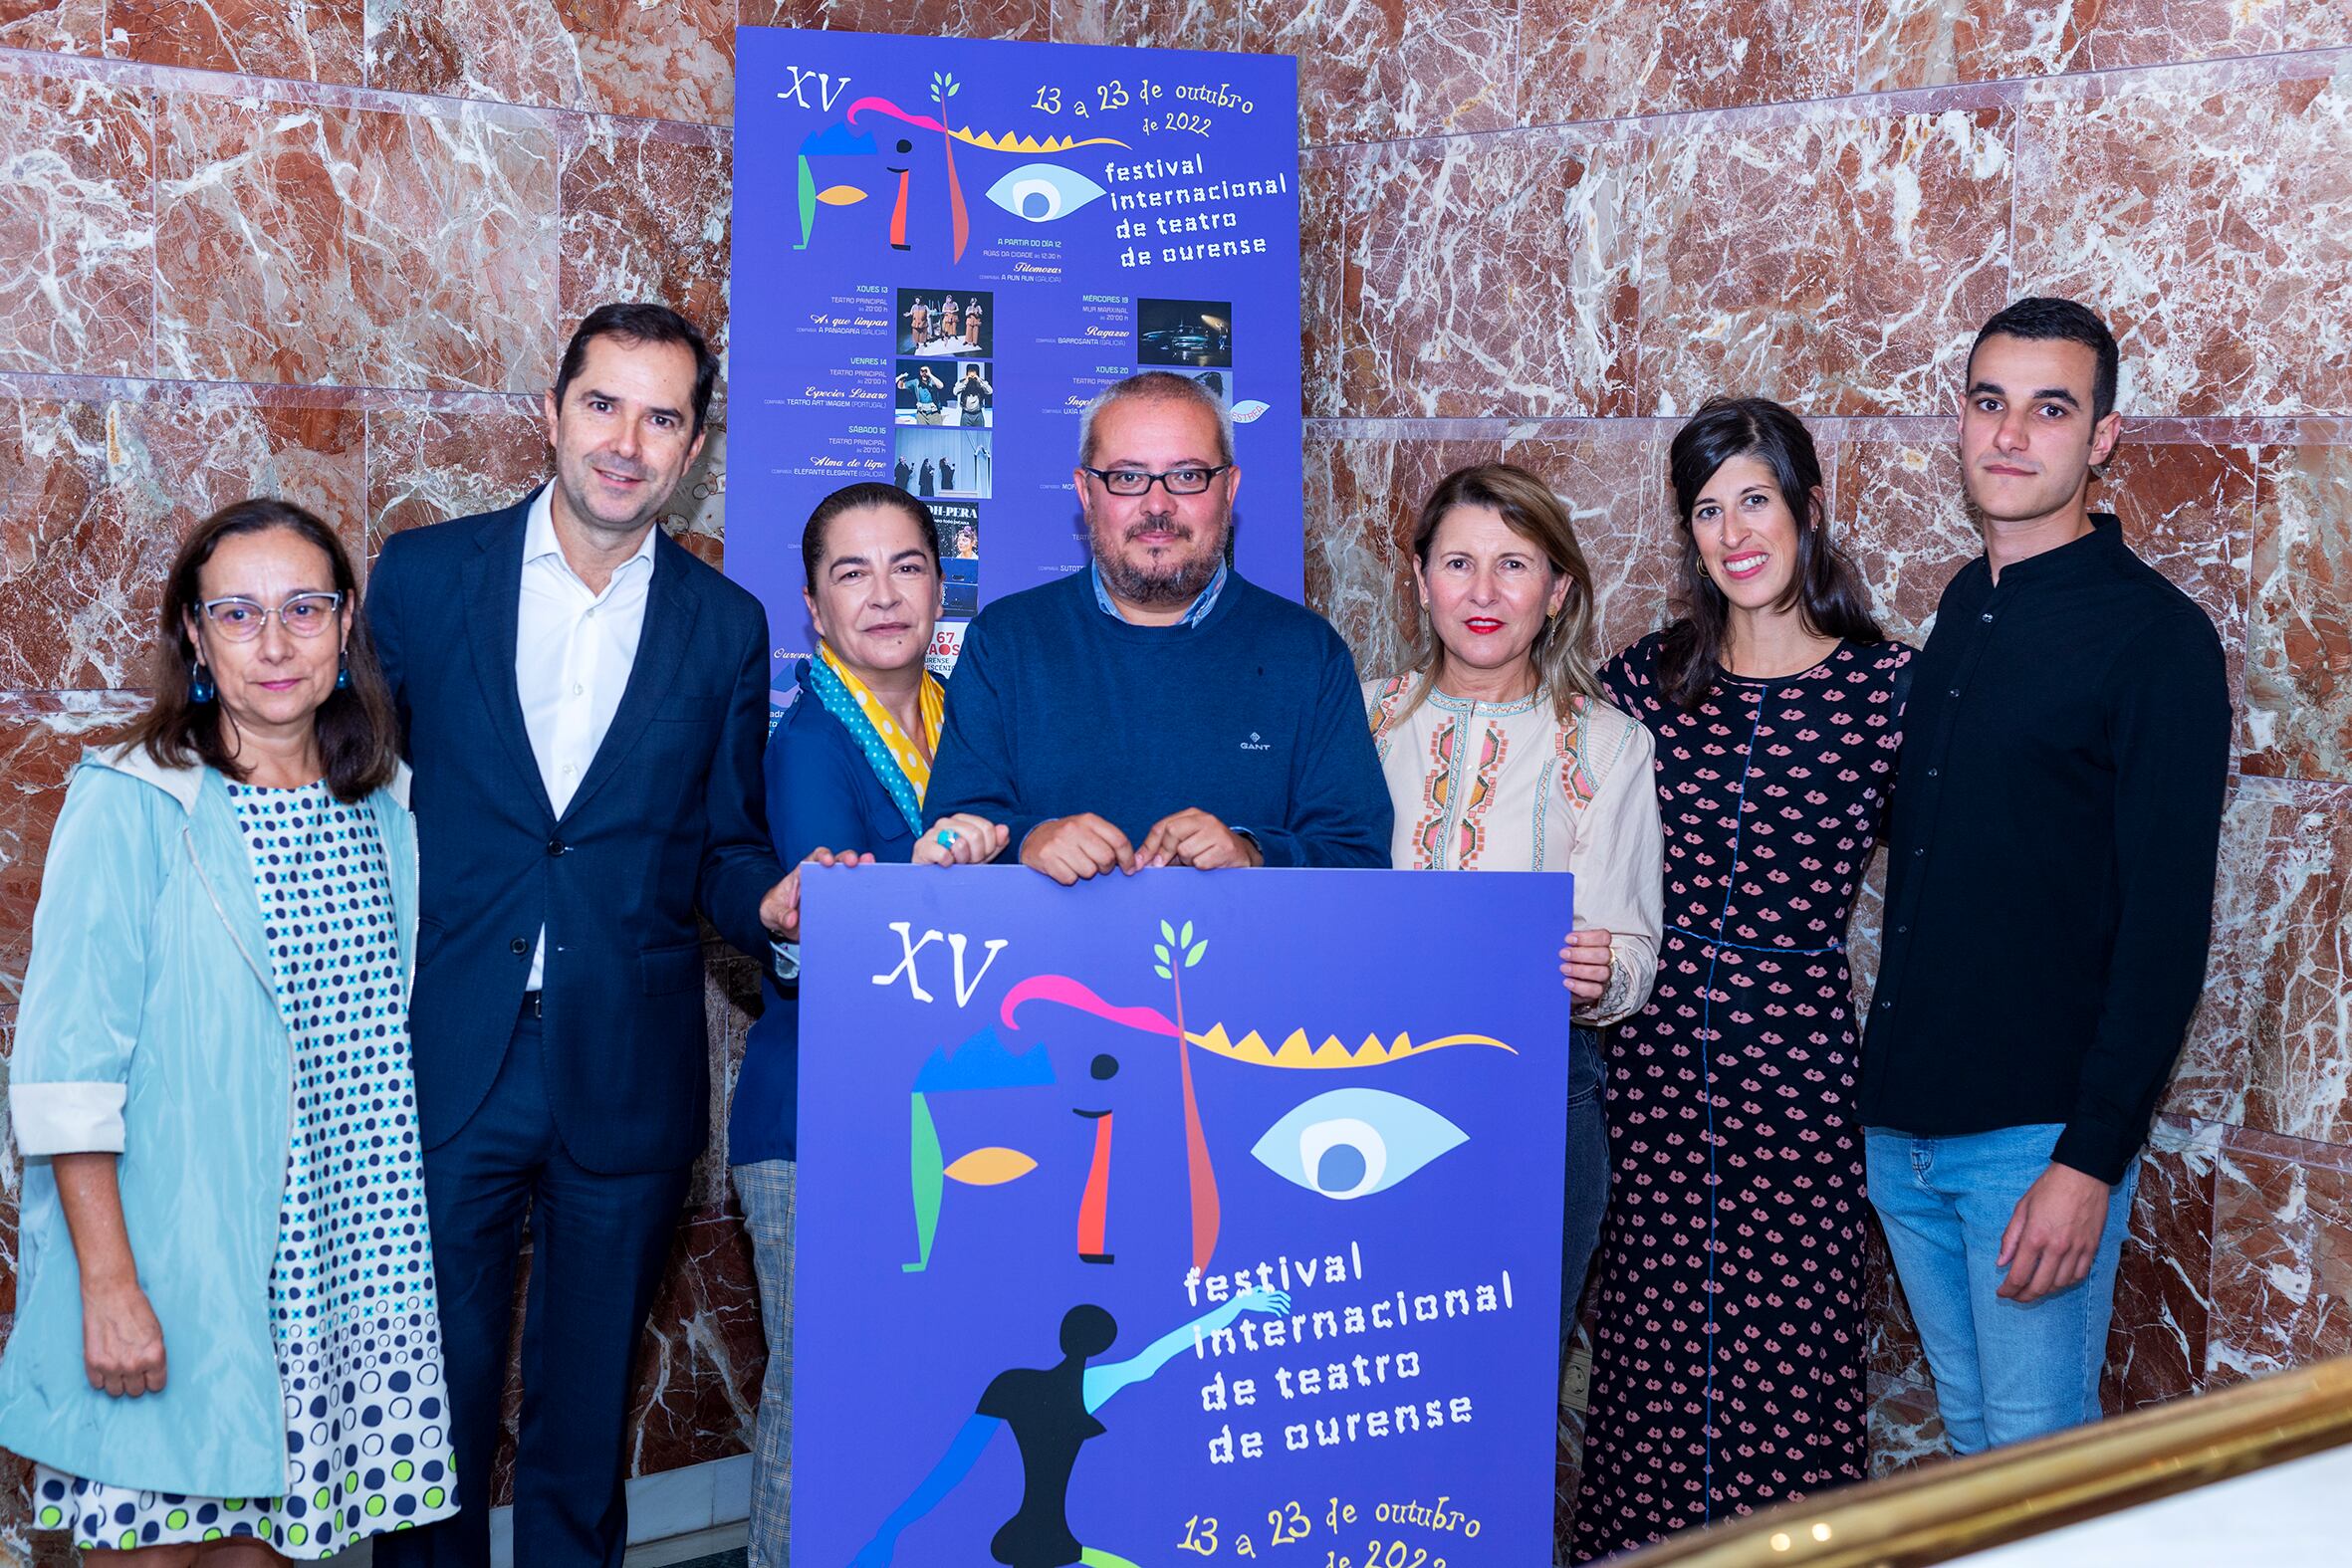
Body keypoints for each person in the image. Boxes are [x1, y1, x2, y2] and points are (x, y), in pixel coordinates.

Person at [366, 303, 812, 1568]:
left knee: (581, 1425)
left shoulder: (723, 626)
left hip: (625, 1068)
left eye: (661, 417)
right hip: (444, 1053)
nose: (627, 441)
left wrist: (769, 901)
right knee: (429, 1419)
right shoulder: (426, 576)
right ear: (553, 413)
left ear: (694, 448)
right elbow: (353, 789)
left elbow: (721, 845)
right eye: (604, 405)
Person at [0, 499, 453, 1561]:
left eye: (303, 606)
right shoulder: (134, 798)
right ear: (195, 638)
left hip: (340, 1261)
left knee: (271, 1547)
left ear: (346, 625)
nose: (276, 641)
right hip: (177, 1257)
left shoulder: (386, 803)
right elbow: (68, 1072)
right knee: (157, 1544)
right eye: (239, 614)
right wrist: (109, 1286)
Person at [1860, 298, 2230, 1456]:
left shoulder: (2155, 639)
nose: (2010, 435)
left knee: (2035, 1468)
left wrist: (2087, 1162)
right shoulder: (1964, 606)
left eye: (2049, 409)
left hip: (2034, 1145)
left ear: (2101, 438)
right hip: (1901, 1131)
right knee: (1974, 1462)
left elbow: (2165, 929)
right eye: (1988, 402)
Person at [1574, 398, 1913, 1560]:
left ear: (1807, 510)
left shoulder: (1888, 693)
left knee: (1790, 1352)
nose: (1734, 532)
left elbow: (1958, 885)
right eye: (1707, 510)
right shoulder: (1641, 684)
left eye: (1754, 500)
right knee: (1652, 1348)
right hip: (1654, 1064)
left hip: (1796, 1065)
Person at [729, 483, 1007, 1568]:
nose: (883, 594)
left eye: (905, 566)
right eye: (852, 572)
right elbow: (847, 929)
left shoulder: (960, 716)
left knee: (926, 1414)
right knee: (819, 1418)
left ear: (941, 588)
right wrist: (943, 863)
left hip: (935, 1107)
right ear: (812, 606)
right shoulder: (809, 741)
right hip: (818, 1123)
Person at [1361, 463, 1663, 1347]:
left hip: (1540, 1089)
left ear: (1559, 589)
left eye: (1515, 564)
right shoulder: (1358, 717)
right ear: (1420, 581)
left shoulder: (1609, 744)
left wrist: (1600, 969)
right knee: (1367, 1348)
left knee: (1507, 1366)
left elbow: (1635, 951)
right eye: (1458, 563)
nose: (1483, 593)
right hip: (1360, 1075)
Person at [923, 369, 1391, 881]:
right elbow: (945, 834)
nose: (1158, 504)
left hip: (1244, 957)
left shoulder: (1307, 652)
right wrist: (1029, 840)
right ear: (1085, 493)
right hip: (1047, 961)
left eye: (1187, 475)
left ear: (1229, 489)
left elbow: (1360, 859)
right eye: (1127, 477)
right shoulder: (1006, 641)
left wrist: (1254, 853)